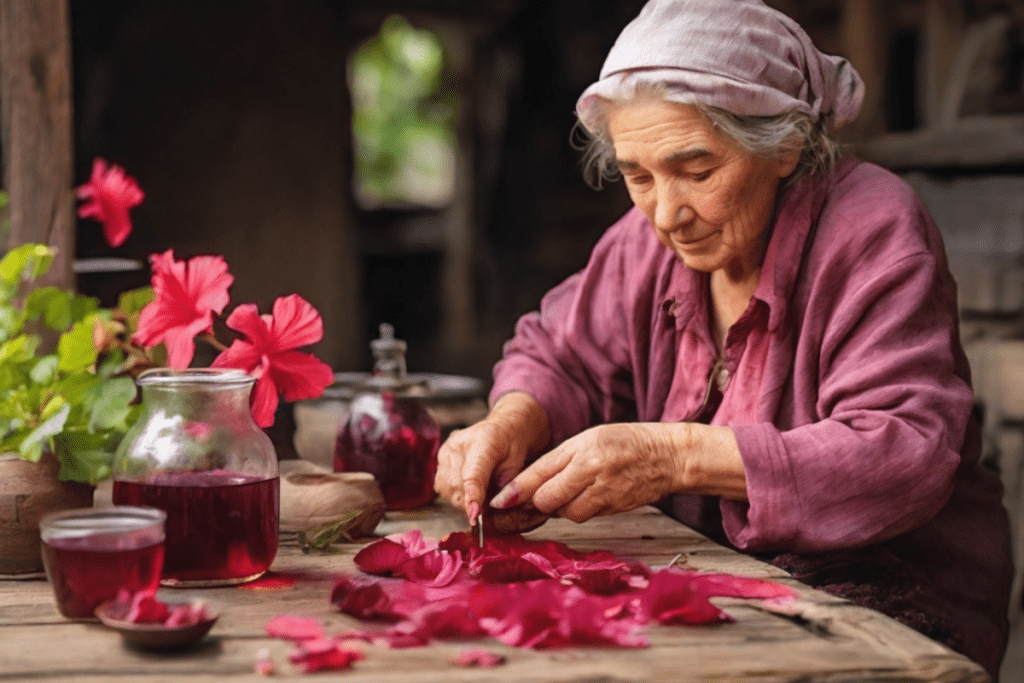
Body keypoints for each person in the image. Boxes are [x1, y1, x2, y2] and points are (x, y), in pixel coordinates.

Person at [434, 0, 1013, 677]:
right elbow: (560, 356)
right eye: (638, 176)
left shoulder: (873, 229)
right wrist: (512, 419)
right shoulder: (643, 247)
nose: (668, 213)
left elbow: (904, 449)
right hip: (719, 581)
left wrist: (673, 455)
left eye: (698, 170)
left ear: (785, 145)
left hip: (890, 598)